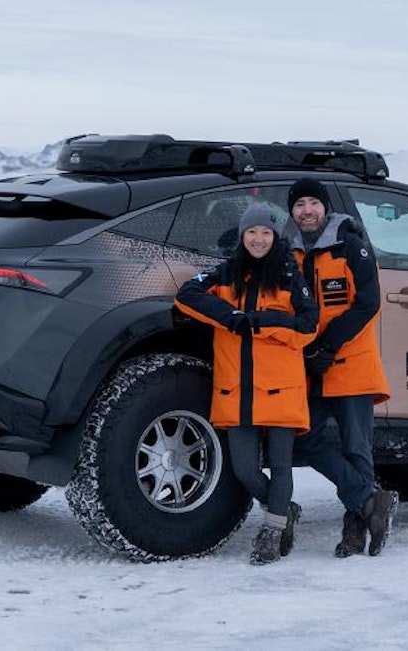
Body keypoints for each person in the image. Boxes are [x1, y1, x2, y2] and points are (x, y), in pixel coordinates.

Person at [174, 203, 319, 565]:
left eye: (266, 233)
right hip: (236, 389)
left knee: (281, 465)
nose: (258, 239)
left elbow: (308, 325)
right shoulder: (226, 272)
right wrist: (230, 317)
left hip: (281, 387)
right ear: (242, 235)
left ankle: (272, 531)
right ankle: (283, 509)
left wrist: (262, 322)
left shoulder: (289, 274)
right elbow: (187, 295)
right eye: (252, 232)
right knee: (245, 470)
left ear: (275, 237)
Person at [285, 177, 397, 558]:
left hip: (350, 364)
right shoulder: (288, 254)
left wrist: (328, 344)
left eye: (313, 203)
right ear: (292, 212)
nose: (307, 211)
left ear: (325, 208)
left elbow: (368, 303)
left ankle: (355, 532)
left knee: (356, 449)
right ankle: (369, 500)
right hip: (311, 369)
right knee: (306, 438)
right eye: (299, 205)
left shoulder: (351, 245)